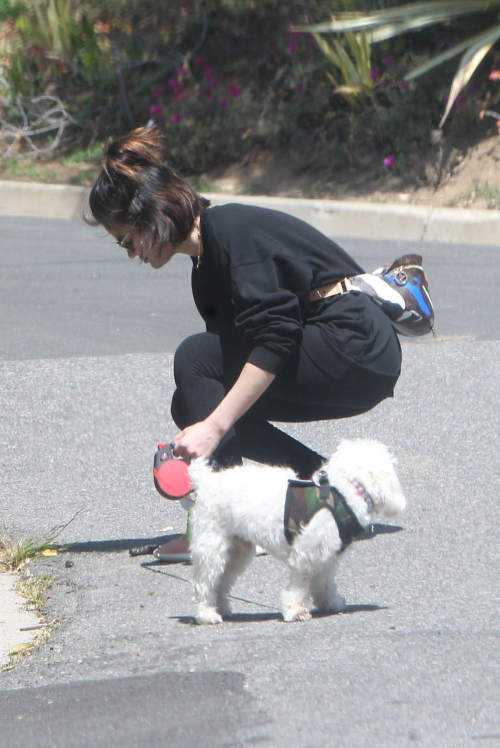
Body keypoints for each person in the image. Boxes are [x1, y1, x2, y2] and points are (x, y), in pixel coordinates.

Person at [87, 126, 402, 560]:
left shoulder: (233, 232)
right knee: (192, 404)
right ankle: (324, 494)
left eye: (127, 238)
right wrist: (207, 422)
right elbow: (243, 361)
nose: (129, 252)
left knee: (195, 361)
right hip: (339, 354)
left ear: (152, 213)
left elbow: (276, 337)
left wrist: (215, 427)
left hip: (355, 344)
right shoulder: (205, 268)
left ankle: (228, 529)